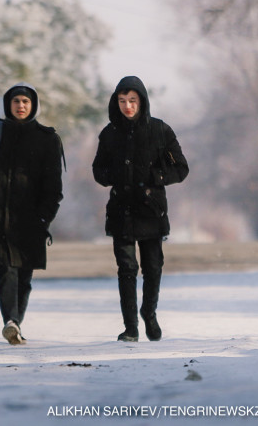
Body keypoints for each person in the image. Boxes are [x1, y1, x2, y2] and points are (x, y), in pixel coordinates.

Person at [92, 76, 188, 342]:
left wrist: (155, 178)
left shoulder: (161, 131)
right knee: (126, 268)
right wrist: (115, 175)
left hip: (151, 209)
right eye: (122, 101)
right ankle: (131, 327)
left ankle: (149, 312)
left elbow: (181, 168)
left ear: (142, 101)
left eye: (132, 101)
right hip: (121, 209)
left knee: (153, 266)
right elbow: (98, 170)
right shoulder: (109, 134)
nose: (127, 106)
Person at [0, 83, 64, 345]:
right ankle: (11, 321)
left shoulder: (46, 138)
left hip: (30, 220)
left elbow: (53, 186)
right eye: (16, 101)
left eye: (25, 102)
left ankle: (15, 321)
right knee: (6, 271)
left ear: (33, 106)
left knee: (25, 275)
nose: (20, 106)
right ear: (8, 105)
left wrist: (44, 217)